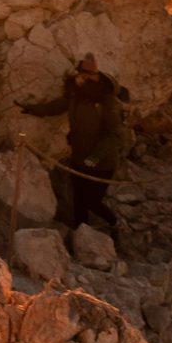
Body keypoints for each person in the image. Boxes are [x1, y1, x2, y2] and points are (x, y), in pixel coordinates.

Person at [22, 54, 130, 231]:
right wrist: (32, 109)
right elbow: (56, 107)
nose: (79, 79)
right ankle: (82, 236)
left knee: (92, 202)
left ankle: (115, 224)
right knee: (79, 202)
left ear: (92, 78)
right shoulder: (75, 94)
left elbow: (116, 135)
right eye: (78, 75)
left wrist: (95, 157)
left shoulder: (107, 101)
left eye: (83, 76)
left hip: (102, 164)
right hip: (79, 158)